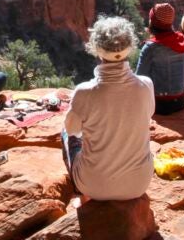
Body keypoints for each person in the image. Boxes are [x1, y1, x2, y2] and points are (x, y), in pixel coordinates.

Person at [62, 16, 154, 202]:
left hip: (93, 185)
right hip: (139, 184)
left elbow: (73, 130)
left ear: (97, 49)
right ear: (130, 46)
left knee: (66, 134)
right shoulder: (146, 85)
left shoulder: (84, 92)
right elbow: (148, 114)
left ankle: (85, 202)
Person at [136, 3, 184, 115]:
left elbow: (139, 78)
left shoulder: (151, 47)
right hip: (180, 102)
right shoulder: (181, 41)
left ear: (153, 22)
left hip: (159, 105)